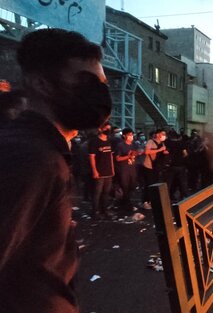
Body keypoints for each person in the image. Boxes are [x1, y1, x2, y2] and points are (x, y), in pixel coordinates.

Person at [0, 29, 111, 312]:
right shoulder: (31, 157)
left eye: (102, 83)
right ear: (41, 83)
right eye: (86, 81)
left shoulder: (48, 150)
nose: (99, 93)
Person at [89, 122, 115, 218]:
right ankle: (95, 211)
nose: (108, 130)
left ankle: (105, 210)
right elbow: (92, 157)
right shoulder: (94, 141)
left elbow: (110, 156)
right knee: (97, 193)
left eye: (109, 128)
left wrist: (112, 169)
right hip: (99, 172)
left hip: (108, 171)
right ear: (100, 129)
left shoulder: (109, 140)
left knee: (106, 192)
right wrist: (94, 171)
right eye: (106, 128)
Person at [115, 128, 140, 212]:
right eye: (129, 135)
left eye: (132, 134)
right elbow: (118, 158)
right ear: (124, 136)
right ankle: (127, 205)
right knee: (125, 187)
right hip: (124, 169)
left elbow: (137, 153)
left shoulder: (134, 145)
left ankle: (123, 202)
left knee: (132, 186)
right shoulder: (120, 145)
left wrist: (137, 153)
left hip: (132, 168)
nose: (131, 136)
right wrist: (128, 156)